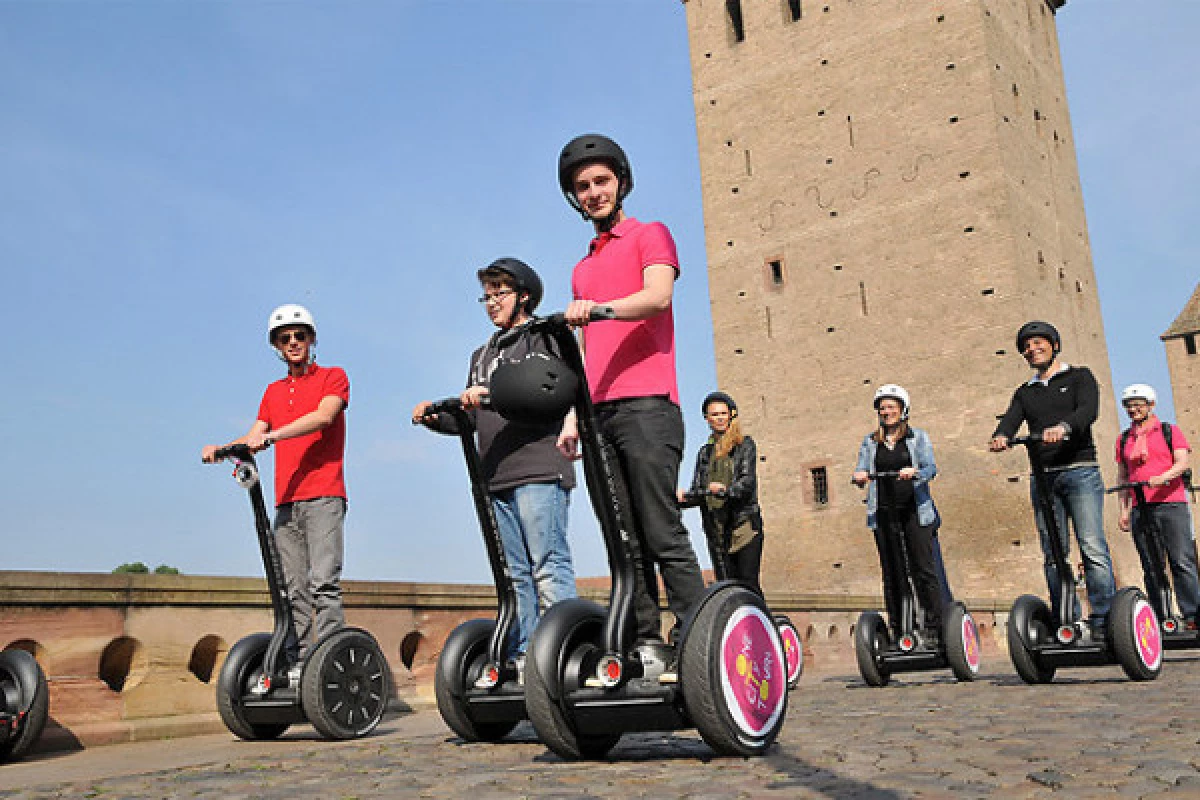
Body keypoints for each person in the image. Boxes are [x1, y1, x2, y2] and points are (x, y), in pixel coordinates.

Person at [559, 133, 706, 663]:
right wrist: (574, 417)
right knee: (624, 540)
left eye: (601, 181)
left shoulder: (651, 234)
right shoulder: (582, 268)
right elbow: (585, 351)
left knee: (661, 530)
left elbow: (657, 295)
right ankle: (646, 642)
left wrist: (598, 309)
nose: (594, 192)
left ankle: (698, 635)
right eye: (583, 186)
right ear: (574, 198)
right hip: (599, 415)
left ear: (620, 181)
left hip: (648, 404)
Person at [413, 259, 578, 674]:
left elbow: (553, 394)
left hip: (539, 468)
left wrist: (489, 394)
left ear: (523, 294)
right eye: (486, 296)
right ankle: (525, 657)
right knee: (515, 576)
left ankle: (562, 652)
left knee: (547, 566)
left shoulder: (544, 337)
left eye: (499, 293)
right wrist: (437, 417)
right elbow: (472, 418)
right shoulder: (482, 354)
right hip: (496, 476)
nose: (491, 303)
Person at [202, 304, 349, 682]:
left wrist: (272, 436)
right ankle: (298, 665)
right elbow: (256, 435)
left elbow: (324, 417)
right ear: (277, 347)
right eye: (286, 339)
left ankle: (330, 664)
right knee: (292, 589)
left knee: (323, 585)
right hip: (286, 501)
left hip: (324, 496)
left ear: (312, 339)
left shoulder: (333, 377)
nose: (294, 342)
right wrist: (223, 449)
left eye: (300, 335)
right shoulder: (272, 392)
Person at [989, 320, 1116, 637]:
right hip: (1043, 478)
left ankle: (1104, 619)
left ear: (1054, 345)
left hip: (1079, 470)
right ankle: (1066, 619)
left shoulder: (1079, 377)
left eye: (1038, 343)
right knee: (1053, 552)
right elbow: (1010, 419)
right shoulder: (1025, 392)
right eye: (1026, 347)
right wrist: (1001, 436)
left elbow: (1088, 411)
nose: (1032, 349)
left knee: (1091, 546)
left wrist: (1065, 427)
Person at [852, 384, 948, 642]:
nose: (886, 412)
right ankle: (900, 629)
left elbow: (931, 468)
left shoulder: (918, 438)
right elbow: (861, 468)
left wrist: (914, 472)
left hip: (915, 511)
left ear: (903, 410)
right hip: (883, 513)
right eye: (882, 408)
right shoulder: (870, 442)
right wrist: (859, 476)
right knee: (892, 572)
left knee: (923, 569)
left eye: (891, 407)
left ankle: (935, 628)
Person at [1115, 383, 1198, 627]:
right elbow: (1123, 476)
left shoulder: (1169, 431)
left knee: (1181, 561)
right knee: (1151, 565)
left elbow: (1182, 462)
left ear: (1150, 405)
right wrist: (1124, 510)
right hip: (1141, 507)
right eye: (1129, 406)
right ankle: (1161, 617)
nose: (1133, 409)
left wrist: (1163, 478)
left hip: (1171, 504)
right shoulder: (1124, 440)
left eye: (1138, 404)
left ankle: (1193, 614)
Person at [679, 392, 765, 595]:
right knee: (726, 588)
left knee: (748, 585)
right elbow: (700, 490)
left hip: (744, 526)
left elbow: (747, 482)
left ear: (731, 415)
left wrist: (726, 491)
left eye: (723, 413)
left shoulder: (744, 445)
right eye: (714, 414)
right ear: (707, 418)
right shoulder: (704, 453)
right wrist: (683, 498)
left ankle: (759, 625)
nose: (719, 418)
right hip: (716, 529)